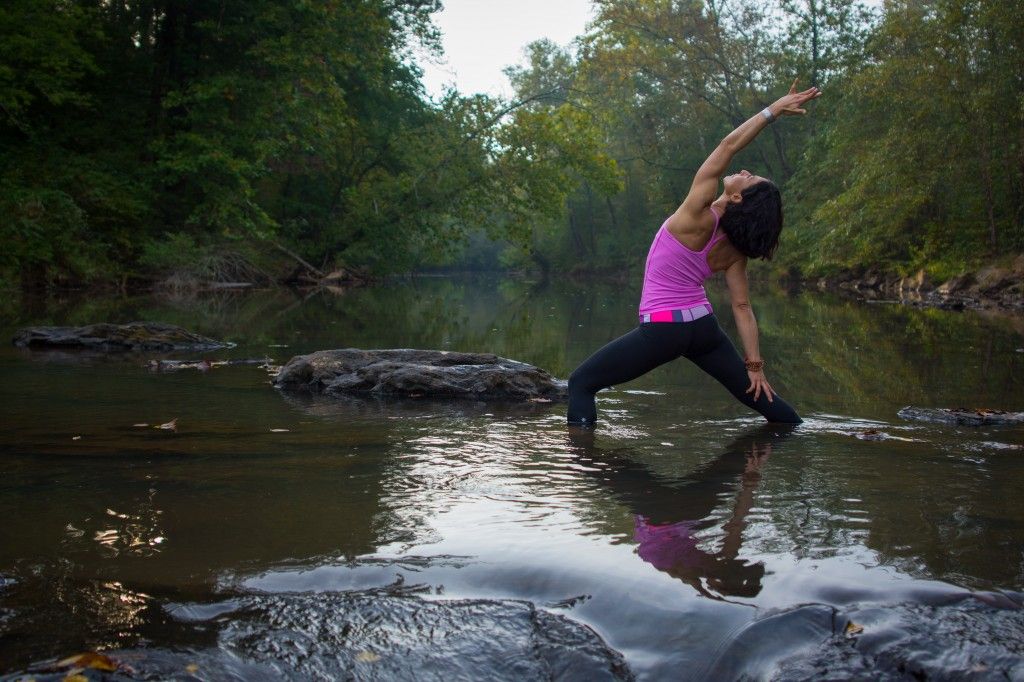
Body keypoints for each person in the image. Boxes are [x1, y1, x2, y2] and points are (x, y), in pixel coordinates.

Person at [567, 81, 820, 426]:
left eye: (749, 179)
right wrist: (755, 366)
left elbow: (728, 145)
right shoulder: (734, 248)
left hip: (663, 331)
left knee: (581, 383)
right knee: (759, 397)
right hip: (702, 328)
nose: (744, 171)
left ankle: (581, 453)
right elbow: (742, 307)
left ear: (737, 198)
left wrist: (773, 110)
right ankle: (795, 428)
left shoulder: (696, 214)